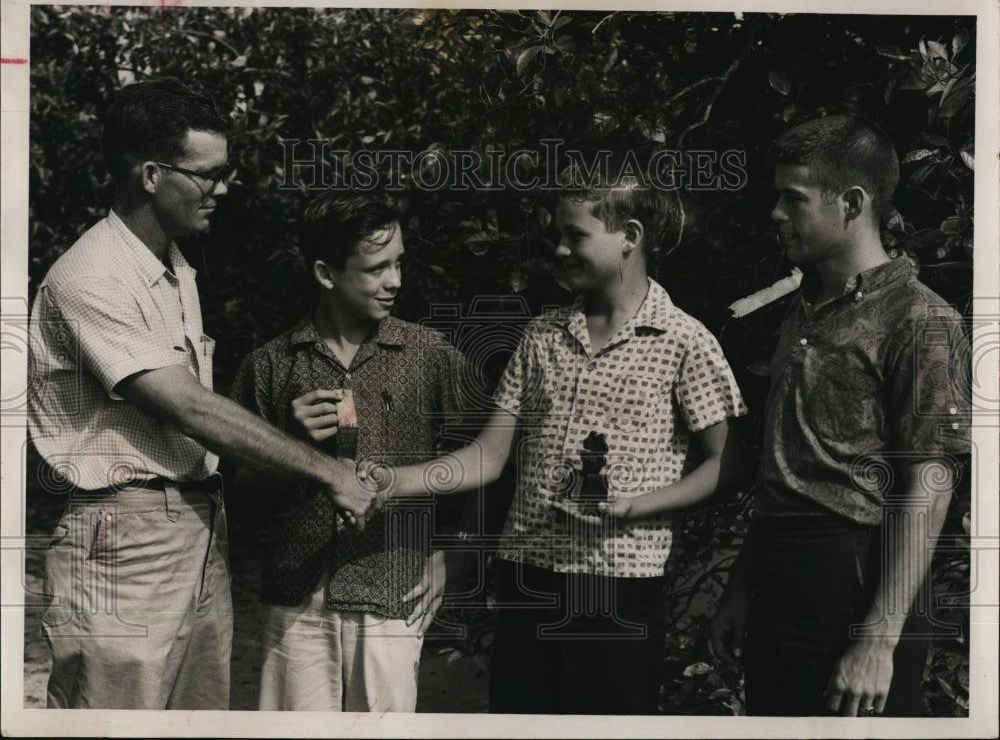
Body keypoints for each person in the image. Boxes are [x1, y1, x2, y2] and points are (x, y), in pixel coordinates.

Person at [27, 79, 379, 710]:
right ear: (153, 174)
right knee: (113, 720)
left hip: (197, 527)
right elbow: (187, 406)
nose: (223, 188)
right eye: (209, 174)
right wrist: (329, 471)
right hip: (124, 544)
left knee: (198, 721)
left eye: (226, 171)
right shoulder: (91, 276)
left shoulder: (174, 266)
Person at [361, 160, 747, 714]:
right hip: (528, 582)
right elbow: (489, 457)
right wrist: (394, 480)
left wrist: (635, 507)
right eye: (556, 236)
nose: (560, 250)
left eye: (576, 235)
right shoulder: (540, 337)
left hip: (621, 590)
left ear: (629, 238)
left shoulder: (685, 342)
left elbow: (729, 463)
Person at [709, 115, 971, 717]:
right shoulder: (801, 309)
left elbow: (928, 487)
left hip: (859, 579)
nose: (776, 213)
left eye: (793, 198)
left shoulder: (919, 319)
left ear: (852, 202)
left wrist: (879, 638)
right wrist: (742, 588)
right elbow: (786, 470)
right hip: (780, 577)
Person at [230, 192, 468, 712]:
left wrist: (457, 553)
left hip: (394, 591)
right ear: (325, 273)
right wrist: (285, 445)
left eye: (399, 262)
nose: (396, 280)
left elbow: (485, 463)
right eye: (377, 267)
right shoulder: (268, 367)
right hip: (294, 601)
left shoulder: (430, 356)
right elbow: (239, 503)